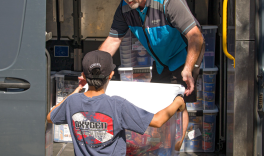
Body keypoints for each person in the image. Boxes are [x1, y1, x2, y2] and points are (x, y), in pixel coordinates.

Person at [99, 0, 205, 152]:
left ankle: (174, 150)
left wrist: (188, 68)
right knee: (158, 104)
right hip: (161, 61)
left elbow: (196, 36)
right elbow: (114, 39)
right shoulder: (125, 9)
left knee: (177, 103)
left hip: (183, 57)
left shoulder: (168, 0)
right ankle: (161, 147)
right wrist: (94, 68)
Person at [47, 50, 185, 156]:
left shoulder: (73, 101)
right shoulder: (117, 105)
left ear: (83, 75)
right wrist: (178, 101)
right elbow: (158, 121)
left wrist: (78, 88)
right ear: (111, 75)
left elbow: (50, 116)